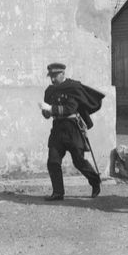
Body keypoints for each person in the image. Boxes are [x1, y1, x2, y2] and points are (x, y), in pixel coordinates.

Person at [39, 63, 104, 201]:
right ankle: (58, 192)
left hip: (72, 128)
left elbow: (70, 108)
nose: (52, 79)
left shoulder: (72, 88)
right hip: (57, 128)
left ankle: (95, 181)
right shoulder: (49, 91)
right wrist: (45, 112)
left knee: (79, 161)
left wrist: (51, 109)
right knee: (53, 161)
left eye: (55, 76)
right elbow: (48, 112)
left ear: (63, 74)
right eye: (51, 76)